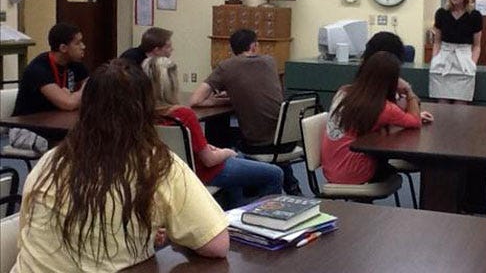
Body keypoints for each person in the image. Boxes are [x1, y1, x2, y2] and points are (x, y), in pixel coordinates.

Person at [12, 59, 229, 272]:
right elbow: (217, 245)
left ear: (84, 108)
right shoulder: (158, 165)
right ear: (146, 110)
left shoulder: (50, 161)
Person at [142, 56, 283, 209]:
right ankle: (257, 219)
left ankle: (231, 209)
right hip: (204, 172)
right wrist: (227, 152)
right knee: (275, 174)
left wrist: (210, 148)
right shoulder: (183, 115)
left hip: (168, 172)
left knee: (238, 161)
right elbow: (209, 160)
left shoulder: (140, 115)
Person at [190, 29, 302, 195]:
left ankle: (237, 190)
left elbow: (195, 100)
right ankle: (291, 186)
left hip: (258, 143)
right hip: (286, 140)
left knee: (228, 139)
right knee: (268, 133)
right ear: (254, 46)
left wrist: (225, 98)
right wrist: (233, 95)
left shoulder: (226, 67)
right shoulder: (270, 61)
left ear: (233, 49)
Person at [322, 51, 433, 184]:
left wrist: (408, 117)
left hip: (330, 168)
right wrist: (408, 90)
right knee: (388, 161)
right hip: (354, 170)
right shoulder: (382, 107)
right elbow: (415, 122)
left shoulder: (344, 91)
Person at [13, 22, 88, 116]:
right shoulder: (38, 69)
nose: (83, 46)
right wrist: (86, 87)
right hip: (27, 126)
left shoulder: (75, 64)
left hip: (57, 121)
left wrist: (74, 96)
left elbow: (96, 94)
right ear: (63, 48)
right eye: (78, 43)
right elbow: (69, 104)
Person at [428, 0, 483, 104]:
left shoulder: (474, 16)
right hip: (444, 58)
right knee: (442, 106)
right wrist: (434, 59)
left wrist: (472, 64)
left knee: (461, 108)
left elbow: (477, 45)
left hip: (464, 60)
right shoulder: (441, 13)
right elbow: (437, 42)